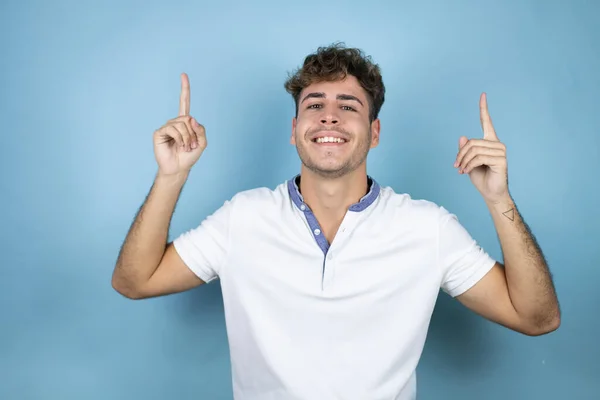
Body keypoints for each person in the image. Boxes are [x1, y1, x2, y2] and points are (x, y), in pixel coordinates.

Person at [111, 43, 560, 400]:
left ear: (375, 132)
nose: (329, 115)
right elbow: (135, 281)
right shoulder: (242, 218)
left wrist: (499, 198)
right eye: (315, 104)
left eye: (348, 105)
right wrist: (172, 176)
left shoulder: (428, 228)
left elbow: (536, 317)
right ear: (294, 130)